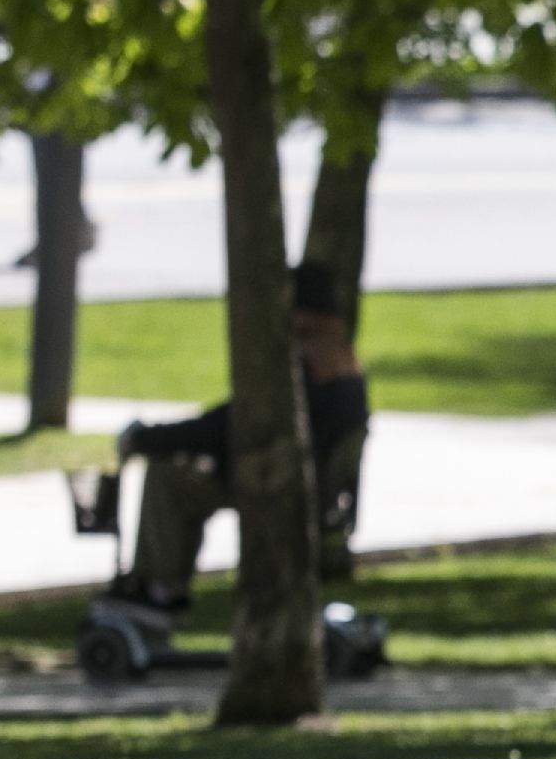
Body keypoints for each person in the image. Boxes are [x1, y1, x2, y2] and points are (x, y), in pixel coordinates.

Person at [115, 259, 371, 608]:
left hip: (277, 482)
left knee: (169, 477)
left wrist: (148, 439)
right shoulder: (343, 365)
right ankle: (165, 585)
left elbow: (229, 425)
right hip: (301, 482)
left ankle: (159, 586)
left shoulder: (304, 371)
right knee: (185, 474)